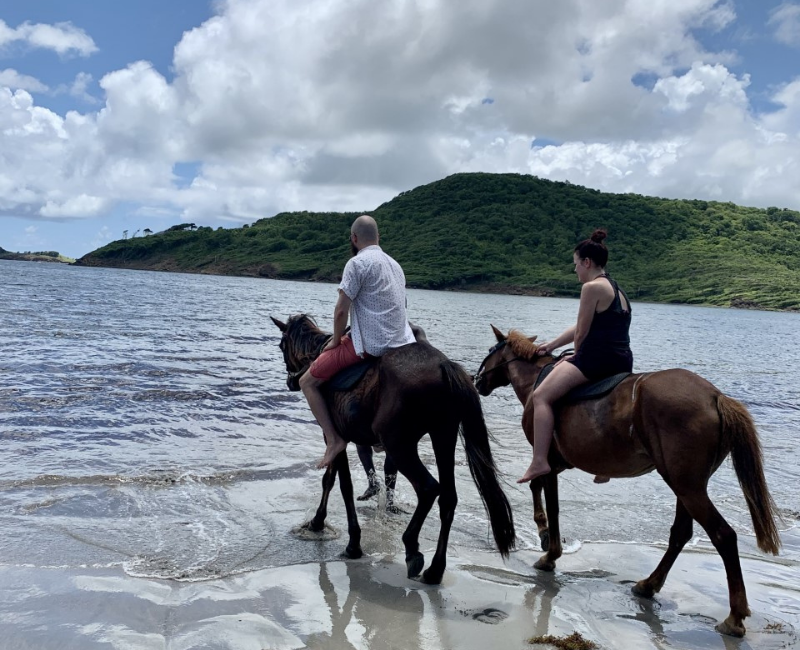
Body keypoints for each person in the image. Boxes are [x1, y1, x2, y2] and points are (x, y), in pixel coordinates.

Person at [299, 215, 416, 469]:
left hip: (371, 345)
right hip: (402, 342)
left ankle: (334, 440)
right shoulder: (395, 265)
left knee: (307, 381)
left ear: (353, 238)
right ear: (379, 237)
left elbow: (341, 311)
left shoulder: (356, 263)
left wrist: (336, 339)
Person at [517, 229, 632, 484]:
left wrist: (576, 356)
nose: (575, 271)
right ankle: (605, 464)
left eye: (576, 265)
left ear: (587, 262)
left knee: (541, 396)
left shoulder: (591, 288)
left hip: (597, 360)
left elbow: (581, 333)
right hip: (622, 360)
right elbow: (583, 325)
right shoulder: (615, 288)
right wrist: (552, 345)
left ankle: (539, 461)